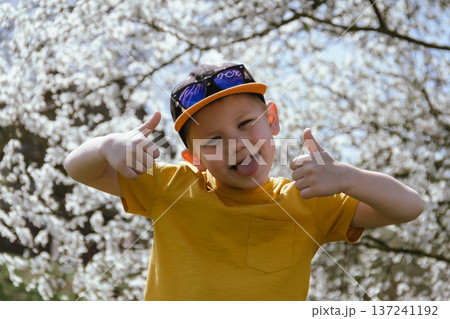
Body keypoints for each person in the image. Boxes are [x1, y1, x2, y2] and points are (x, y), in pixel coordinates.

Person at [64, 63, 424, 300]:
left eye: (245, 123)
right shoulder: (171, 189)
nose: (236, 144)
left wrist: (348, 177)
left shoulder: (307, 200)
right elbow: (79, 168)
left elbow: (409, 206)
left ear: (272, 119)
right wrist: (106, 145)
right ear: (194, 159)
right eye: (214, 140)